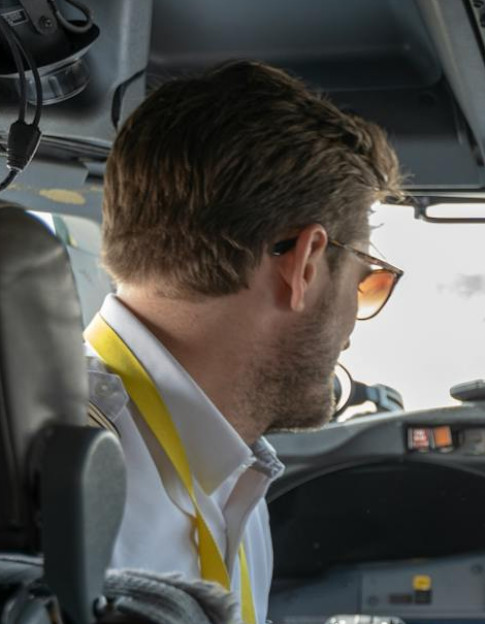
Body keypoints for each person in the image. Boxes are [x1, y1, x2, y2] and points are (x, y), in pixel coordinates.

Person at [84, 60, 404, 624]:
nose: (354, 325)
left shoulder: (234, 477)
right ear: (305, 264)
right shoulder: (64, 483)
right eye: (366, 280)